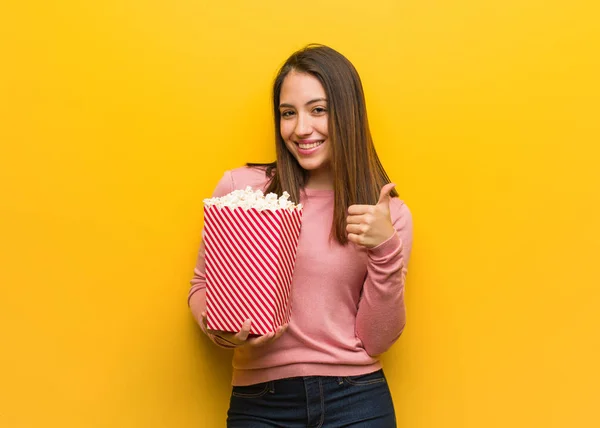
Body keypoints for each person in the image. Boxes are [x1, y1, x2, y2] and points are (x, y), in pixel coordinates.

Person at [188, 44, 413, 427]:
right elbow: (202, 285)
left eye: (318, 110)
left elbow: (377, 340)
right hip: (262, 402)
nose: (301, 128)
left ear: (348, 114)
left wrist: (384, 250)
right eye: (288, 113)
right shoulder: (242, 190)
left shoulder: (386, 215)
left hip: (357, 399)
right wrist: (225, 334)